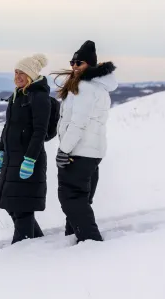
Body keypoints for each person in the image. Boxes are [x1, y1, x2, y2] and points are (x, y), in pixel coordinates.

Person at [53, 40, 118, 243]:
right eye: (72, 62)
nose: (73, 66)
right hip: (91, 151)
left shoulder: (86, 88)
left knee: (70, 196)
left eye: (78, 62)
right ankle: (72, 238)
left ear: (89, 64)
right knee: (80, 197)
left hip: (80, 151)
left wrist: (64, 150)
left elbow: (78, 123)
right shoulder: (96, 87)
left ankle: (90, 242)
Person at [0, 54, 51, 244]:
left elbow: (40, 131)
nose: (18, 76)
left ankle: (21, 252)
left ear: (32, 75)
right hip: (13, 158)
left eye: (22, 73)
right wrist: (1, 149)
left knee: (22, 208)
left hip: (27, 160)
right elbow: (8, 126)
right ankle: (37, 242)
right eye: (16, 72)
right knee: (13, 206)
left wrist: (30, 160)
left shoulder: (39, 97)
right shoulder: (17, 96)